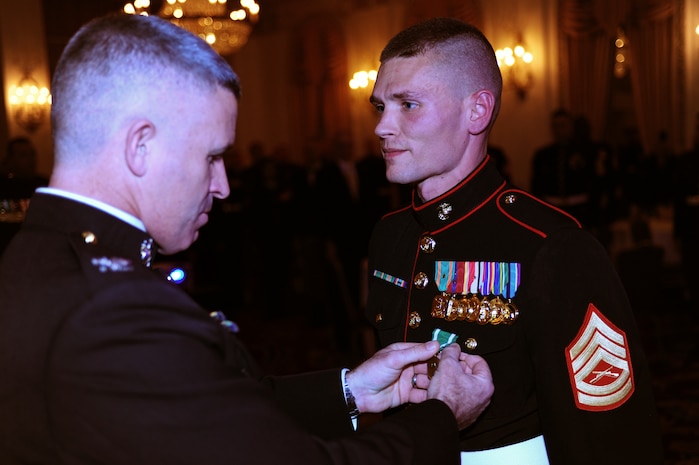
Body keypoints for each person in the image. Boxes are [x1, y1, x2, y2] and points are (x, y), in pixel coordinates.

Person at [0, 14, 495, 465]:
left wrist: (350, 390)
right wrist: (441, 414)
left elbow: (203, 415)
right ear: (140, 146)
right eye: (212, 157)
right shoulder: (114, 311)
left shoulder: (36, 256)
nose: (223, 186)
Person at [364, 17, 663, 464]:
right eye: (380, 107)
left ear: (477, 111)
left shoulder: (550, 244)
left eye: (407, 104)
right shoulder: (391, 232)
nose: (382, 127)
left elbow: (608, 433)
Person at [530, 109, 597, 227]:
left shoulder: (585, 151)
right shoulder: (543, 155)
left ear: (570, 126)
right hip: (552, 209)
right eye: (555, 126)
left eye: (563, 125)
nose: (559, 130)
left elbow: (593, 181)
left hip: (580, 209)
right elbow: (537, 185)